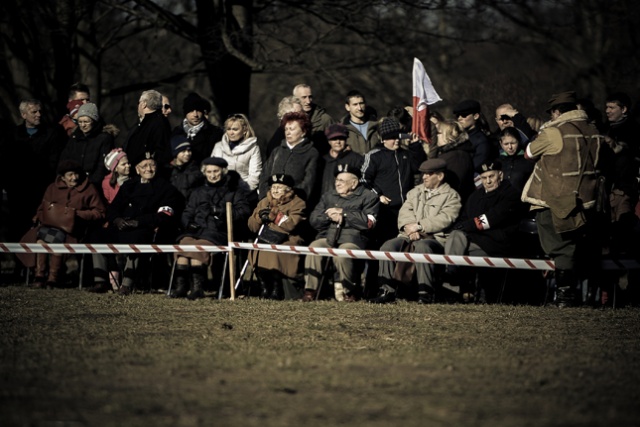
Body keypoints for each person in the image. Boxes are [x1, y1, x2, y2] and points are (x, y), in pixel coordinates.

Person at [522, 91, 604, 307]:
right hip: (587, 200)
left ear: (557, 112)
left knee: (561, 249)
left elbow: (529, 153)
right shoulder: (594, 131)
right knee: (579, 247)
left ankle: (565, 296)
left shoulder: (553, 132)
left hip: (556, 201)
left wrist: (541, 131)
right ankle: (579, 294)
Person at [369, 158, 461, 304]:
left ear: (440, 176)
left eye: (428, 174)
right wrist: (409, 228)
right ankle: (386, 291)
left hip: (435, 238)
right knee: (387, 247)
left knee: (423, 247)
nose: (423, 177)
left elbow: (445, 218)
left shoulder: (452, 196)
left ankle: (425, 292)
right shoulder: (414, 192)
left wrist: (419, 226)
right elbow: (405, 211)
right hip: (408, 234)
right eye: (423, 174)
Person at [171, 157, 251, 300]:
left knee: (198, 246)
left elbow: (244, 211)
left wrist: (223, 212)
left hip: (218, 231)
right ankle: (181, 287)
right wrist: (188, 224)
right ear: (204, 173)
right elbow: (187, 212)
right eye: (209, 172)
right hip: (195, 230)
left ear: (223, 172)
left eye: (216, 171)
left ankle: (198, 289)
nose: (212, 175)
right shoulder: (197, 191)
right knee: (183, 244)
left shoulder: (234, 191)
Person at [445, 160, 523, 302]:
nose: (487, 181)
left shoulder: (510, 194)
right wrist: (463, 227)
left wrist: (467, 226)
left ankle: (453, 285)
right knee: (456, 236)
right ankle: (453, 276)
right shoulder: (475, 196)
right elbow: (463, 219)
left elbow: (492, 218)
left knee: (461, 251)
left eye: (491, 177)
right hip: (475, 240)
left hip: (497, 244)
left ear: (500, 175)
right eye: (484, 178)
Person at [106, 152, 183, 295]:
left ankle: (126, 284)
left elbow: (165, 214)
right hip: (122, 225)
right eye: (144, 166)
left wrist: (139, 222)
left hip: (146, 228)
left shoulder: (166, 188)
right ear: (137, 170)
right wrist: (117, 220)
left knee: (136, 238)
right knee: (98, 237)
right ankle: (104, 281)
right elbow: (113, 208)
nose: (148, 169)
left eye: (152, 165)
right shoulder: (129, 185)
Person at [302, 163, 379, 302]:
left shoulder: (369, 197)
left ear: (354, 183)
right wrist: (329, 216)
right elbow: (314, 220)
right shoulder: (329, 196)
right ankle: (310, 291)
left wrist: (344, 215)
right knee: (314, 248)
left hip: (353, 239)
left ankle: (349, 292)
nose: (337, 184)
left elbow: (369, 223)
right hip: (329, 237)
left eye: (342, 181)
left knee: (343, 253)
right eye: (337, 180)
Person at [30, 160, 105, 288]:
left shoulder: (88, 189)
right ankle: (40, 276)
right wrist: (45, 217)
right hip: (51, 227)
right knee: (40, 242)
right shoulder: (52, 188)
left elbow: (100, 212)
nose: (74, 178)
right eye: (70, 175)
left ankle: (53, 278)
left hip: (74, 230)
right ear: (62, 177)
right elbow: (42, 208)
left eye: (76, 174)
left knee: (57, 241)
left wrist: (77, 214)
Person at [5, 99, 65, 241]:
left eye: (40, 111)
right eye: (34, 112)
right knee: (18, 228)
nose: (38, 115)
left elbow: (53, 161)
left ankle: (39, 262)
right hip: (17, 191)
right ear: (23, 114)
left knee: (40, 228)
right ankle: (19, 261)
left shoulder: (51, 134)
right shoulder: (13, 135)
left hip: (40, 190)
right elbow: (6, 161)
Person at [361, 117, 426, 247]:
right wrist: (378, 195)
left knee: (403, 244)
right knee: (384, 242)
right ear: (383, 139)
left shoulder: (405, 154)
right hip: (385, 209)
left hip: (405, 208)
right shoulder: (374, 155)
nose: (396, 140)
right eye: (392, 138)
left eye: (398, 137)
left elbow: (420, 167)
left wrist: (415, 146)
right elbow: (364, 179)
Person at [248, 174, 307, 300]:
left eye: (279, 188)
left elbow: (291, 224)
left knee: (274, 252)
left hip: (288, 238)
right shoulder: (264, 202)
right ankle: (264, 288)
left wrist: (275, 217)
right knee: (258, 250)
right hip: (265, 237)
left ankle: (277, 288)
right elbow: (252, 226)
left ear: (288, 190)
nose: (274, 190)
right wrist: (259, 218)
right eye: (273, 187)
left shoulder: (297, 203)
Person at [259, 111, 319, 202]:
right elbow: (264, 176)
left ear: (303, 132)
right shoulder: (277, 151)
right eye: (286, 129)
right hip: (270, 203)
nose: (288, 132)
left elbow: (308, 183)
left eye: (292, 129)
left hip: (294, 206)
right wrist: (265, 199)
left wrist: (289, 200)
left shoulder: (311, 153)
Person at [59, 103, 116, 187]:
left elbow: (103, 165)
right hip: (73, 181)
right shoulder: (75, 137)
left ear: (94, 121)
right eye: (80, 122)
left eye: (86, 121)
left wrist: (91, 183)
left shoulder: (104, 138)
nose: (83, 125)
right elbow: (65, 159)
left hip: (93, 184)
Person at [211, 113, 262, 204]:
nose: (231, 132)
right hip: (219, 195)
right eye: (229, 129)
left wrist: (241, 193)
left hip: (244, 196)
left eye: (235, 129)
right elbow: (212, 170)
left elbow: (255, 175)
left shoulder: (253, 148)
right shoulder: (218, 147)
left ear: (244, 130)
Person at [123, 90, 172, 174]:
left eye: (139, 103)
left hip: (149, 175)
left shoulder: (158, 122)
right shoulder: (144, 123)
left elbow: (160, 151)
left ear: (144, 104)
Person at [427, 120, 476, 204]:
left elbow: (453, 185)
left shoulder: (456, 156)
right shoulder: (449, 154)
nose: (434, 136)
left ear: (449, 136)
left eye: (438, 133)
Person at [171, 92, 224, 166]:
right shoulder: (177, 132)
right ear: (185, 113)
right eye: (191, 111)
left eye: (198, 111)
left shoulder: (215, 133)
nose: (195, 115)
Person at [317, 123, 364, 195]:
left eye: (341, 138)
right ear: (328, 141)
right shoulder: (322, 160)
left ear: (346, 139)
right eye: (334, 139)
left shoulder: (357, 159)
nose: (338, 142)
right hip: (324, 202)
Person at [293, 84, 334, 154]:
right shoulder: (290, 120)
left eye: (310, 97)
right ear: (295, 99)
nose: (308, 101)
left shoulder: (325, 119)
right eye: (304, 97)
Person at [453, 99, 493, 170]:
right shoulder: (457, 137)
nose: (459, 118)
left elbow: (476, 164)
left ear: (476, 116)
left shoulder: (481, 140)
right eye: (458, 115)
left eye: (464, 115)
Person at [341, 90, 380, 155]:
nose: (359, 108)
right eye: (355, 104)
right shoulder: (342, 129)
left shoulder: (377, 126)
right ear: (347, 107)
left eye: (361, 103)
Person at [497, 127, 535, 193]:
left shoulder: (528, 161)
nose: (510, 147)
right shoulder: (498, 162)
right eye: (506, 144)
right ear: (501, 143)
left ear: (519, 141)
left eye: (513, 143)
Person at [167, 134, 203, 202]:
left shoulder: (195, 170)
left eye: (189, 150)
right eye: (183, 151)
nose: (187, 154)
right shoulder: (167, 170)